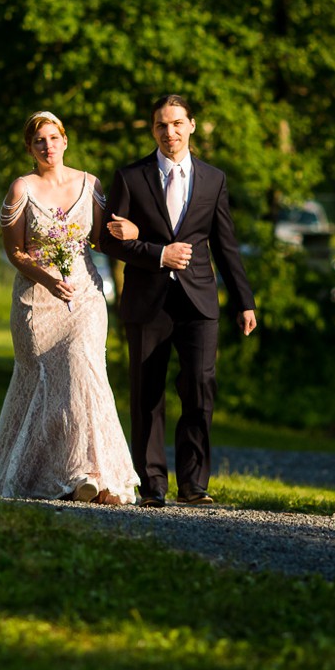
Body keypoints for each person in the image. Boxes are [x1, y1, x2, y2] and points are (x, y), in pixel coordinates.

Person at [0, 111, 139, 506]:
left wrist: (134, 231)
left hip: (83, 297)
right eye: (39, 141)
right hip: (36, 300)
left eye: (53, 138)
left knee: (85, 370)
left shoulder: (90, 184)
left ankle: (93, 474)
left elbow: (101, 239)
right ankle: (46, 474)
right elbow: (14, 251)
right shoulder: (21, 189)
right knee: (46, 382)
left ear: (65, 140)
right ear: (30, 148)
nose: (48, 146)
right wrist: (45, 278)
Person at [99, 94, 256, 507]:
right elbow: (107, 242)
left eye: (176, 123)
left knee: (199, 388)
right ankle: (152, 486)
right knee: (147, 394)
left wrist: (245, 300)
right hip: (147, 301)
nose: (169, 132)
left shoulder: (213, 179)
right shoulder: (130, 177)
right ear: (153, 130)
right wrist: (156, 253)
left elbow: (225, 245)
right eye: (160, 125)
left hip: (200, 302)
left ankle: (194, 485)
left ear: (191, 126)